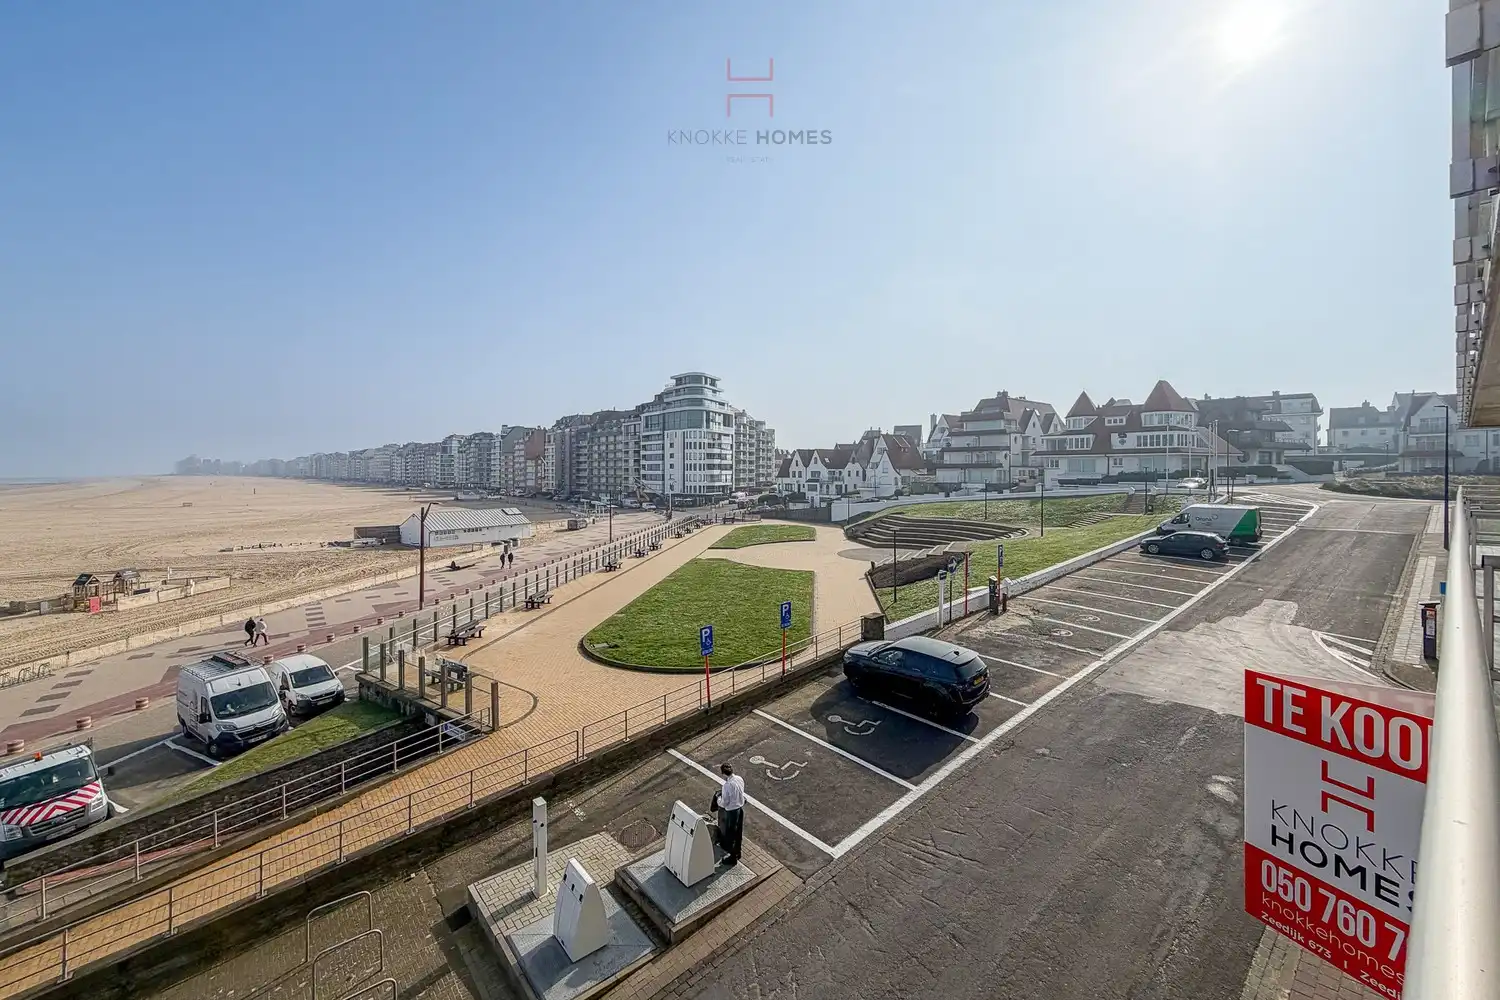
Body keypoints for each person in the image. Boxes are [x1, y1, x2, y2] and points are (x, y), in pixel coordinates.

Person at [712, 762, 745, 865]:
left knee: (731, 835)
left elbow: (724, 802)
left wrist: (718, 799)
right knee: (738, 832)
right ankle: (738, 852)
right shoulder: (739, 779)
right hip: (740, 809)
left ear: (723, 773)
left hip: (732, 812)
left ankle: (732, 857)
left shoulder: (727, 785)